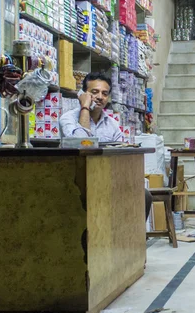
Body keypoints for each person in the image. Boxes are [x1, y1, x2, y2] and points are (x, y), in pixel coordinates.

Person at [59, 72, 153, 220]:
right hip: (77, 181)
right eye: (94, 92)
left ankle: (129, 240)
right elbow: (82, 143)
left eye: (104, 93)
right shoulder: (68, 118)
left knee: (144, 195)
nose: (100, 97)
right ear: (83, 94)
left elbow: (121, 152)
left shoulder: (112, 124)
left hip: (106, 178)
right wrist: (85, 107)